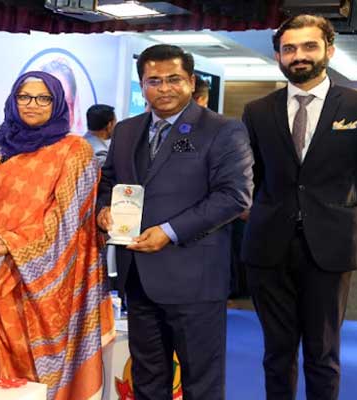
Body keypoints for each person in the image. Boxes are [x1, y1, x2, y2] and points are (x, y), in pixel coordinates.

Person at [241, 14, 357, 400]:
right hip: (268, 246)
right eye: (289, 48)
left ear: (330, 50)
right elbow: (252, 174)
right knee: (276, 353)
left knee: (322, 353)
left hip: (331, 246)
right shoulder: (257, 110)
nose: (299, 56)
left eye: (309, 46)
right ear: (278, 56)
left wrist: (340, 214)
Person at [97, 44, 254, 400]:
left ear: (191, 82)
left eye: (174, 79)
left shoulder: (223, 130)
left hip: (195, 279)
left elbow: (234, 196)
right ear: (142, 85)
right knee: (148, 379)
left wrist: (169, 232)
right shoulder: (127, 130)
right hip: (138, 277)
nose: (164, 88)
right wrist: (104, 210)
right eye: (154, 80)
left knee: (201, 383)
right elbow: (110, 182)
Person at [0, 71, 114, 400]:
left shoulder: (74, 150)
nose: (33, 104)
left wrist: (15, 243)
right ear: (13, 99)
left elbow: (69, 216)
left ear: (58, 104)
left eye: (44, 98)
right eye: (24, 97)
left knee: (24, 366)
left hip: (35, 277)